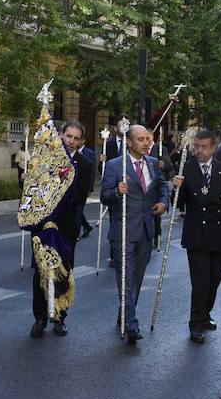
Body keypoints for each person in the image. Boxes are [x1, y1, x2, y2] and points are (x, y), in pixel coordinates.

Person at [173, 130, 221, 344]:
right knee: (200, 281)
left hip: (219, 233)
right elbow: (178, 204)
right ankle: (195, 324)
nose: (199, 151)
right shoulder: (187, 168)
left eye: (204, 147)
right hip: (196, 234)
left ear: (213, 148)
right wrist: (176, 188)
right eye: (196, 146)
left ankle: (205, 313)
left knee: (216, 276)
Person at [100, 124, 169, 343]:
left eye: (148, 139)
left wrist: (163, 202)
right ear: (129, 142)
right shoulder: (114, 166)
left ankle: (124, 313)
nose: (147, 143)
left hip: (146, 230)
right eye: (141, 139)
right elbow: (104, 196)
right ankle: (131, 324)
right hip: (123, 231)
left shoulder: (152, 163)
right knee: (126, 280)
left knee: (136, 279)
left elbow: (162, 186)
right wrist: (117, 192)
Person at [29, 120, 93, 338]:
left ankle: (59, 317)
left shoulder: (84, 165)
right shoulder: (45, 160)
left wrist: (59, 193)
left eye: (76, 138)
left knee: (63, 272)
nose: (72, 141)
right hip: (43, 226)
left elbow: (80, 195)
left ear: (81, 141)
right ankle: (39, 318)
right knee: (40, 271)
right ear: (62, 135)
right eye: (69, 136)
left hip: (66, 227)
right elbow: (34, 189)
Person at [77, 131, 96, 238]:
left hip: (84, 187)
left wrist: (90, 187)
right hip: (74, 186)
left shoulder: (89, 153)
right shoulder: (71, 152)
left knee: (79, 209)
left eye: (78, 139)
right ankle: (87, 226)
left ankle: (82, 228)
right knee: (77, 209)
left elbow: (92, 172)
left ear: (83, 141)